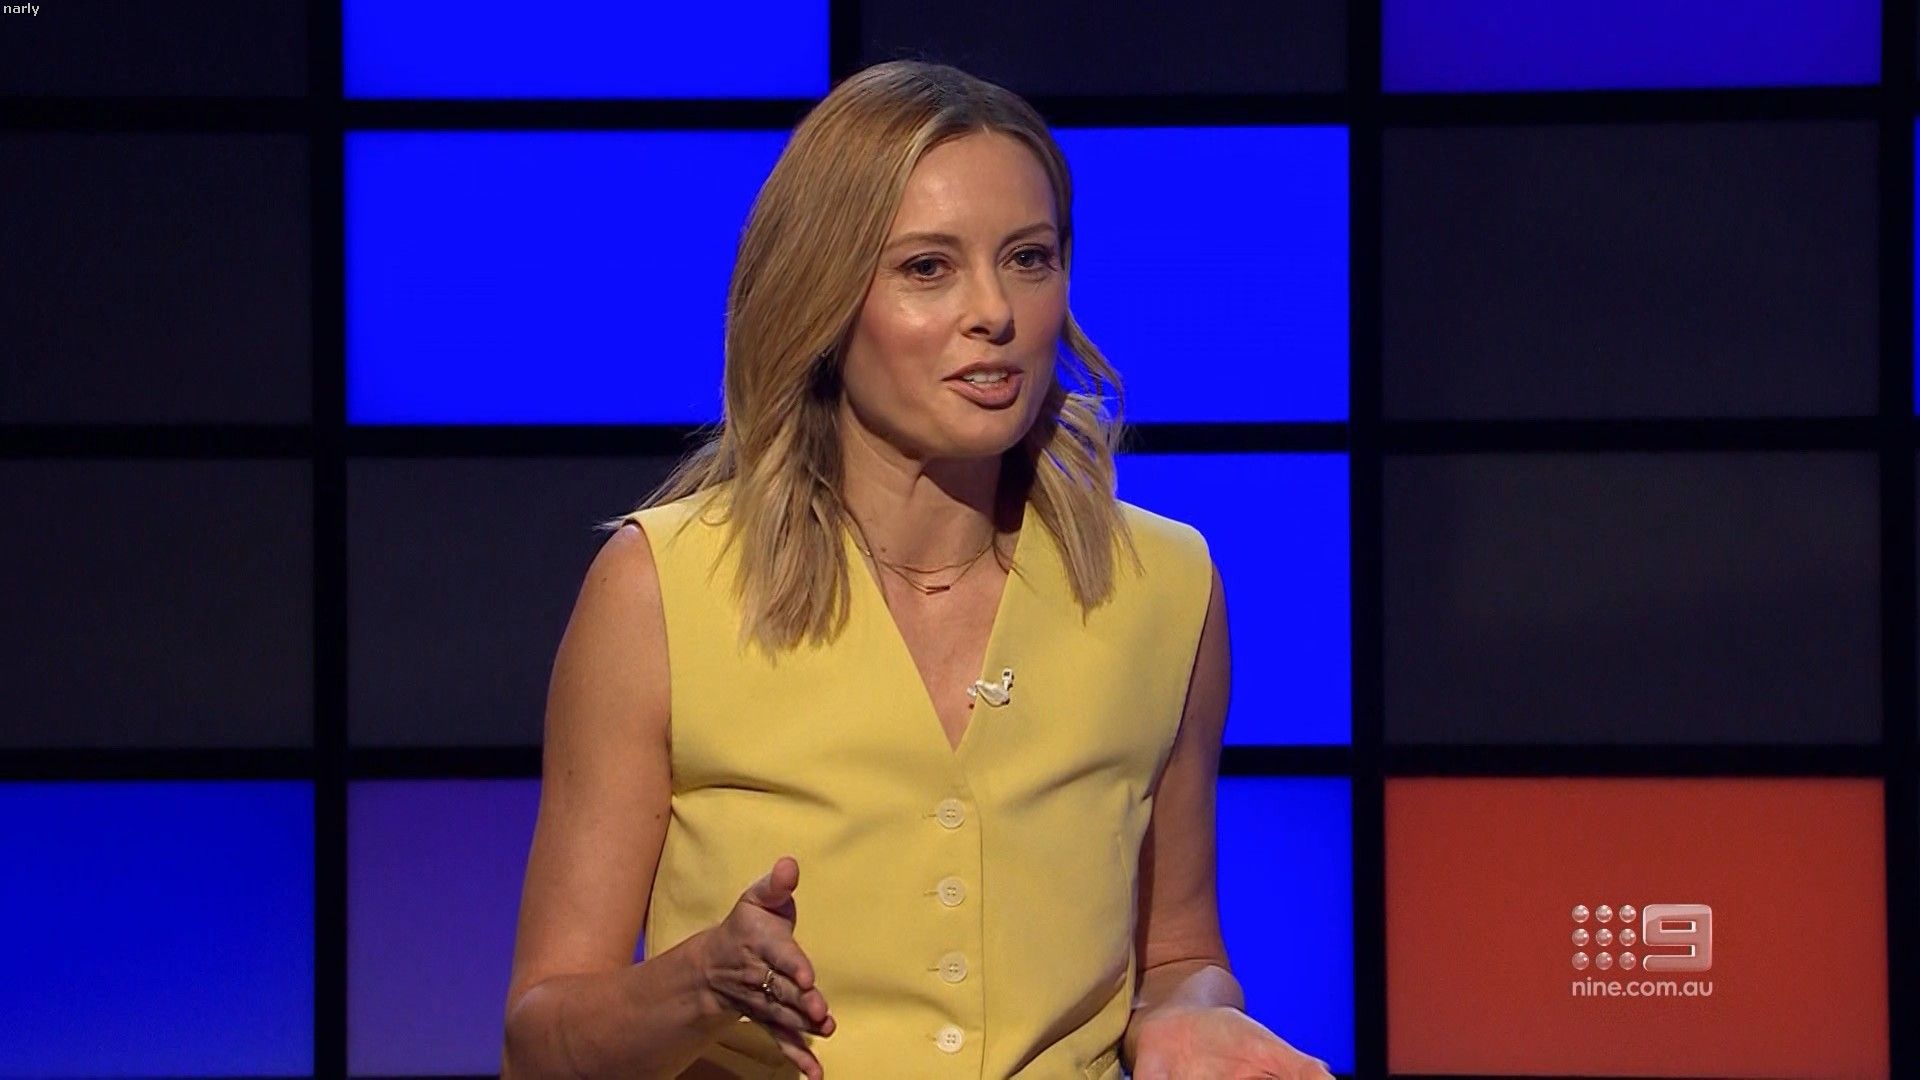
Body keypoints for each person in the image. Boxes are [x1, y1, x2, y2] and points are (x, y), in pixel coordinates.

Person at [499, 59, 1336, 1080]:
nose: (996, 312)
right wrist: (699, 985)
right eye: (928, 268)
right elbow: (540, 1042)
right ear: (822, 297)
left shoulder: (1164, 588)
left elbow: (1178, 954)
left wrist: (1187, 1018)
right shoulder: (661, 589)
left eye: (1028, 259)